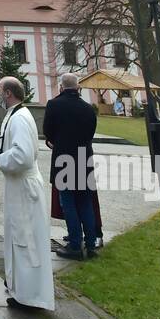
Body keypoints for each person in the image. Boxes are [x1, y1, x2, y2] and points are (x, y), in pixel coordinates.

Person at [0, 77, 54, 311]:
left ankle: (31, 295)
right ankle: (20, 288)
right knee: (18, 237)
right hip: (17, 187)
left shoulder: (20, 118)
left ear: (9, 93)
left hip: (24, 188)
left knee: (27, 240)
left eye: (0, 91)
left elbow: (22, 156)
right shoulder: (15, 114)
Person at [43, 72, 98, 260]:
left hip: (63, 158)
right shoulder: (88, 108)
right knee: (84, 201)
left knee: (67, 202)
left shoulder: (54, 105)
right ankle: (91, 244)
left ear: (61, 87)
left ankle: (75, 244)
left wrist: (55, 141)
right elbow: (90, 133)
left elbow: (47, 131)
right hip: (84, 158)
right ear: (78, 87)